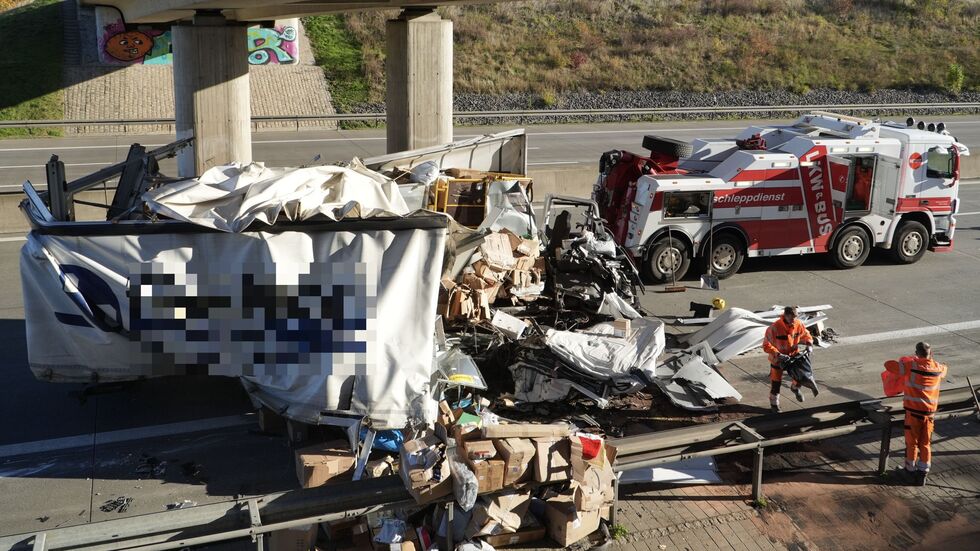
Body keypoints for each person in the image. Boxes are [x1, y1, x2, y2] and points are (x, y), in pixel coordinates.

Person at [883, 342, 948, 486]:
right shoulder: (938, 368)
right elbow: (945, 369)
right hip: (929, 414)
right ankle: (922, 473)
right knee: (925, 444)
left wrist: (910, 360)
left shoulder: (911, 366)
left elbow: (888, 365)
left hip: (913, 413)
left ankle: (909, 470)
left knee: (912, 443)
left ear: (917, 353)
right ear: (931, 353)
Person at [762, 306, 817, 412]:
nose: (793, 320)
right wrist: (777, 354)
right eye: (791, 318)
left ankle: (795, 388)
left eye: (795, 317)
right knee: (776, 384)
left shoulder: (798, 324)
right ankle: (774, 405)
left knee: (800, 377)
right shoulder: (774, 328)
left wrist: (809, 345)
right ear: (785, 316)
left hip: (793, 357)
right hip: (778, 360)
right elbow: (766, 345)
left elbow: (806, 335)